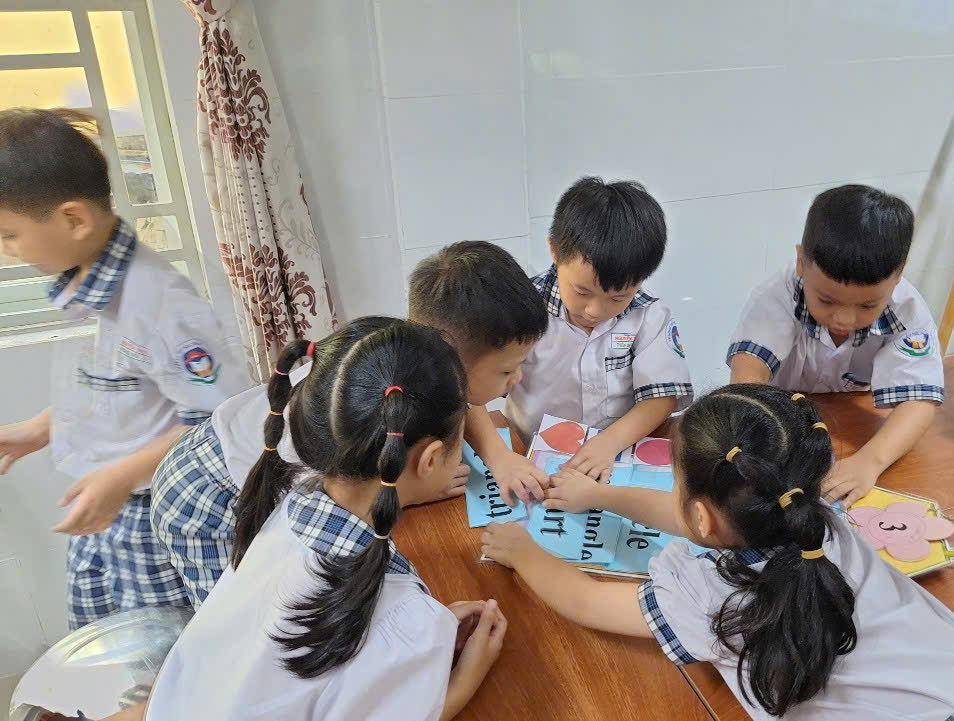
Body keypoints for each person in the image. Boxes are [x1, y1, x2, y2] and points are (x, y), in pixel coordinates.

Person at [483, 384, 954, 721]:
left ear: (701, 514)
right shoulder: (821, 526)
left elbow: (589, 600)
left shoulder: (707, 598)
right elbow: (705, 521)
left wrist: (523, 552)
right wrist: (605, 496)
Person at [150, 241, 548, 605]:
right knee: (245, 614)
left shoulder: (420, 356)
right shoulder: (357, 420)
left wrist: (499, 457)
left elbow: (466, 399)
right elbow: (331, 505)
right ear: (454, 364)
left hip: (237, 454)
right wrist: (405, 492)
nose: (517, 379)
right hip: (207, 496)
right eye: (507, 370)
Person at [145, 320, 506, 720]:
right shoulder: (407, 621)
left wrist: (416, 640)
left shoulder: (283, 512)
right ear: (431, 459)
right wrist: (461, 680)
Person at [0, 108, 248, 628]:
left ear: (74, 220)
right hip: (111, 507)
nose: (8, 252)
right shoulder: (93, 288)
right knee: (106, 649)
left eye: (9, 235)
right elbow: (118, 390)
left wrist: (120, 476)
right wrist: (39, 429)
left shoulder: (160, 302)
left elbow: (220, 421)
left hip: (154, 516)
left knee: (157, 653)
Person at [727, 185, 942, 506]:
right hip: (788, 414)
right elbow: (748, 371)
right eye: (826, 301)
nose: (844, 319)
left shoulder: (908, 309)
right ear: (802, 262)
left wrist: (870, 461)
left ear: (898, 274)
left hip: (857, 420)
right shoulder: (778, 293)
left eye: (867, 306)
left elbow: (919, 402)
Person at [481, 176, 693, 497]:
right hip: (528, 452)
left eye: (618, 297)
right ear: (554, 251)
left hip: (618, 451)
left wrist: (608, 443)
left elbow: (662, 396)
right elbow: (468, 387)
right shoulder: (521, 307)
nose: (595, 311)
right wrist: (501, 455)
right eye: (581, 292)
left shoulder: (649, 315)